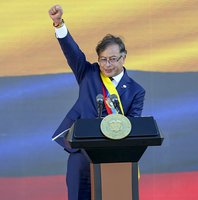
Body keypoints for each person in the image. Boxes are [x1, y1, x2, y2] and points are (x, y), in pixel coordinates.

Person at [48, 5, 145, 200]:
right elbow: (72, 52)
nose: (107, 65)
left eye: (112, 59)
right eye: (103, 60)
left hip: (114, 158)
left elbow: (132, 126)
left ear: (123, 57)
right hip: (81, 154)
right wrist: (59, 24)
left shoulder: (136, 91)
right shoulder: (89, 74)